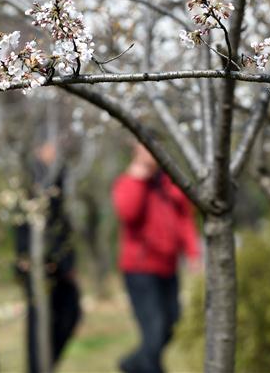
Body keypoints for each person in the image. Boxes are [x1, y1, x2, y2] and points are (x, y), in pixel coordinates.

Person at [113, 142, 200, 373]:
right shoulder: (129, 182)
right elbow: (128, 212)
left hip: (168, 268)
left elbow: (184, 219)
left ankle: (131, 364)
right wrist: (138, 178)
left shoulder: (169, 183)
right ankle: (142, 366)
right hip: (140, 270)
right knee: (154, 330)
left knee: (171, 325)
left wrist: (193, 252)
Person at [14, 140, 82, 373]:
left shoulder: (57, 177)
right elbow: (24, 225)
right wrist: (27, 259)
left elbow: (61, 222)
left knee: (70, 313)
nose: (54, 151)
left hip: (61, 266)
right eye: (49, 146)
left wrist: (68, 262)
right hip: (38, 266)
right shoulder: (32, 179)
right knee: (39, 325)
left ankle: (46, 365)